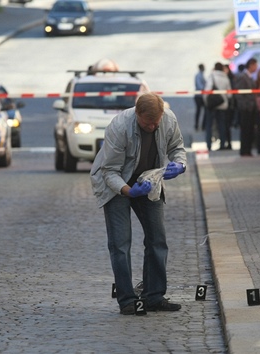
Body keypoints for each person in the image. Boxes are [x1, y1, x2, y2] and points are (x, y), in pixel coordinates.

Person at [90, 92, 187, 315]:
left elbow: (177, 148)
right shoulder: (119, 127)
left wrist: (180, 165)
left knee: (157, 238)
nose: (153, 127)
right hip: (116, 184)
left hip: (148, 180)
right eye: (147, 123)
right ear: (137, 114)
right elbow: (110, 170)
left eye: (156, 122)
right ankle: (127, 300)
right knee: (120, 243)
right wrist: (128, 190)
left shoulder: (168, 120)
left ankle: (154, 296)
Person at [203, 62, 232, 151]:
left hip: (212, 105)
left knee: (209, 125)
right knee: (221, 125)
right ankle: (222, 144)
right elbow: (230, 94)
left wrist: (206, 102)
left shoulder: (212, 76)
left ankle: (209, 144)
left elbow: (207, 91)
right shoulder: (225, 78)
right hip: (223, 105)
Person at [234, 58, 259, 156]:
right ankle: (244, 150)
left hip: (251, 108)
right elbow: (239, 93)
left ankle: (248, 150)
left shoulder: (250, 77)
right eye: (255, 66)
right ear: (251, 65)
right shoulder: (243, 77)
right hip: (245, 108)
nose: (256, 68)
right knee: (245, 129)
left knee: (250, 129)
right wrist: (244, 106)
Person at [222, 64, 235, 150]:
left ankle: (229, 143)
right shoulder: (226, 78)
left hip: (229, 106)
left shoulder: (229, 79)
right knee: (225, 125)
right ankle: (226, 142)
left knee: (227, 125)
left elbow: (230, 94)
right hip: (226, 104)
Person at [193, 64, 206, 131]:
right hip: (199, 96)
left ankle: (200, 125)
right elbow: (200, 86)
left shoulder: (200, 75)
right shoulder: (198, 75)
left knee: (200, 111)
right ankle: (197, 125)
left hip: (200, 95)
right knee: (199, 111)